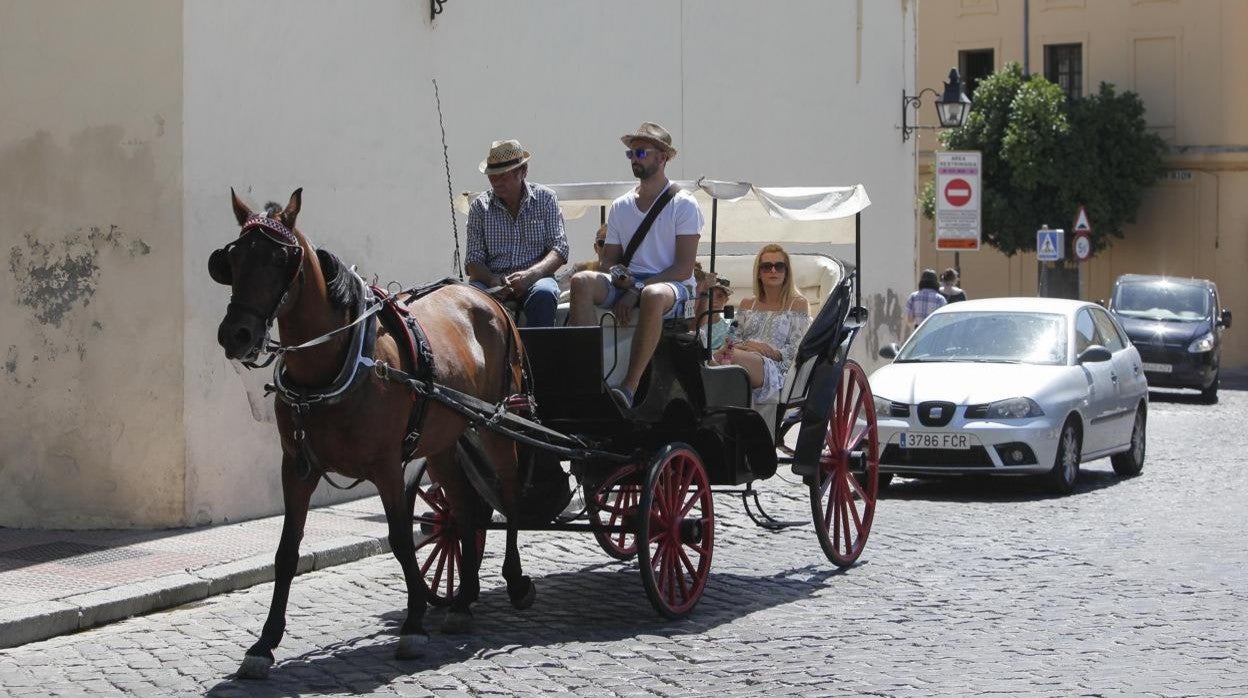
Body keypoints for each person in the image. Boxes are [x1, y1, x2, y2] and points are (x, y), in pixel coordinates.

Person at [569, 122, 703, 409]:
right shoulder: (621, 206)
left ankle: (628, 389)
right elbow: (609, 261)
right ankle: (589, 380)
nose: (634, 159)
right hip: (630, 282)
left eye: (641, 152)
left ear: (662, 157)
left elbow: (683, 269)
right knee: (581, 281)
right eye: (631, 154)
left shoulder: (684, 204)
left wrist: (638, 287)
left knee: (651, 296)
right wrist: (620, 277)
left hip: (673, 286)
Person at [464, 139, 569, 327]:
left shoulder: (545, 199)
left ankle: (539, 355)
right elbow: (473, 259)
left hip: (537, 278)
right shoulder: (480, 207)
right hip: (493, 281)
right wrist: (492, 279)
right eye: (492, 176)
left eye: (503, 176)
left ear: (523, 172)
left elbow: (559, 248)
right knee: (470, 300)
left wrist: (531, 275)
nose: (496, 182)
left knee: (544, 294)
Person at [711, 244, 810, 404]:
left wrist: (767, 352)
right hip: (741, 355)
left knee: (728, 356)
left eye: (779, 266)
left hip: (776, 367)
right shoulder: (747, 303)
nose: (773, 271)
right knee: (708, 357)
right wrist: (749, 346)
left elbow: (796, 347)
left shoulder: (798, 304)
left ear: (786, 272)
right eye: (766, 267)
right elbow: (730, 339)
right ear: (758, 273)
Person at [693, 263, 732, 351]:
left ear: (726, 300)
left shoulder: (728, 329)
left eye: (720, 296)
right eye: (710, 295)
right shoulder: (694, 324)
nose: (714, 300)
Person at [905, 268, 947, 335]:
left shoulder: (913, 296)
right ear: (936, 282)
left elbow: (910, 320)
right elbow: (943, 321)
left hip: (918, 333)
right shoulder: (940, 299)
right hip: (934, 333)